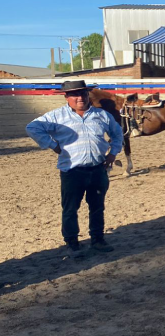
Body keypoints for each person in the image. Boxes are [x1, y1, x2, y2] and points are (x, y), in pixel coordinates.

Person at [26, 80, 123, 258]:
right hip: (72, 171)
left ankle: (98, 239)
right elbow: (32, 127)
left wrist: (113, 153)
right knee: (70, 208)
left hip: (97, 169)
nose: (80, 98)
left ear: (88, 95)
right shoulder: (56, 116)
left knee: (97, 207)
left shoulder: (101, 115)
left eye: (83, 94)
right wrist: (52, 144)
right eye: (75, 94)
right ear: (67, 97)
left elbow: (117, 133)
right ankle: (72, 242)